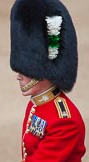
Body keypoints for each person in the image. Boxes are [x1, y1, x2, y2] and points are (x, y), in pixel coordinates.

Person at [10, 0, 86, 161]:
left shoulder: (64, 122)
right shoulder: (37, 103)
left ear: (43, 72)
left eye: (25, 71)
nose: (18, 76)